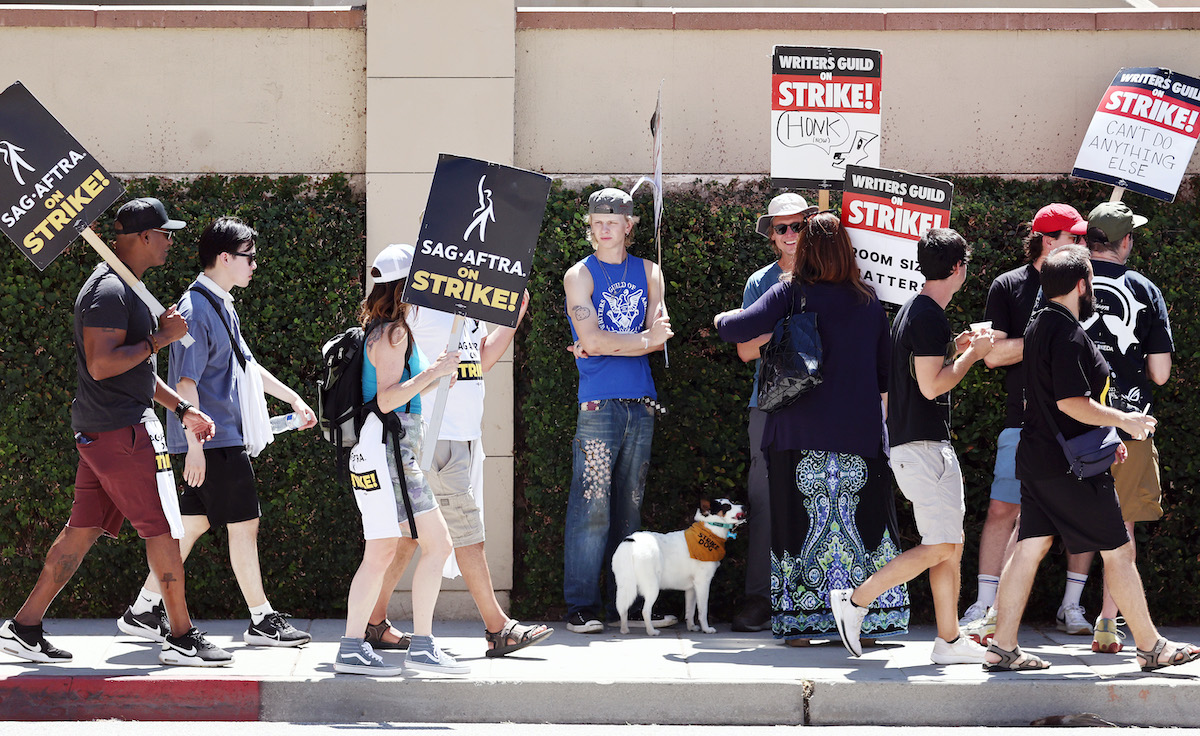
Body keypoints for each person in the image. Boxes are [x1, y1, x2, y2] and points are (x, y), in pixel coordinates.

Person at [0, 197, 231, 667]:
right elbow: (103, 364)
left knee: (81, 531)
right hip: (120, 433)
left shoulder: (127, 288)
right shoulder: (109, 291)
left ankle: (24, 627)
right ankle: (181, 637)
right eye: (165, 234)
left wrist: (183, 407)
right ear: (142, 238)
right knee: (164, 528)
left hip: (104, 431)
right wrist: (159, 339)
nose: (170, 241)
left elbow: (138, 372)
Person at [983, 244, 1198, 672]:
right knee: (1117, 551)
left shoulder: (1040, 324)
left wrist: (1104, 435)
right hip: (1070, 470)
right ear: (1083, 284)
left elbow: (1052, 402)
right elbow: (1070, 402)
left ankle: (1003, 647)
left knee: (1029, 547)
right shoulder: (1065, 332)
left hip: (1041, 460)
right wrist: (1125, 422)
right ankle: (1151, 647)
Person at [115, 217, 316, 649]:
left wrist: (292, 397)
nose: (254, 266)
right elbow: (186, 384)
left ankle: (142, 609)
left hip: (214, 438)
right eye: (249, 258)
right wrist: (196, 449)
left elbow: (245, 365)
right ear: (225, 258)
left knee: (193, 525)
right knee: (245, 524)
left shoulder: (220, 302)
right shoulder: (195, 308)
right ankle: (262, 620)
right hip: (213, 440)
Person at [715, 211, 909, 646]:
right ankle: (867, 622)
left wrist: (718, 318)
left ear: (805, 250)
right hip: (858, 436)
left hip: (797, 434)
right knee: (859, 529)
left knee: (799, 528)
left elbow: (736, 328)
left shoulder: (793, 292)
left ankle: (803, 628)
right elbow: (884, 376)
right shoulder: (870, 301)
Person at [360, 280, 552, 657]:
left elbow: (477, 361)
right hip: (435, 435)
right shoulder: (414, 305)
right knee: (466, 532)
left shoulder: (465, 303)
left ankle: (373, 621)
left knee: (410, 536)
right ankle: (499, 629)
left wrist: (512, 320)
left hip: (461, 436)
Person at [830, 228, 994, 665]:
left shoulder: (913, 311)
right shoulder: (927, 315)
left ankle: (949, 641)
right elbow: (931, 384)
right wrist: (972, 356)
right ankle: (856, 600)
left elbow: (918, 370)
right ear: (958, 268)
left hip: (917, 447)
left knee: (948, 543)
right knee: (941, 546)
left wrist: (955, 347)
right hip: (923, 448)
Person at [961, 204, 1096, 639]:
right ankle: (985, 605)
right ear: (1047, 239)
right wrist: (1044, 338)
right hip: (1021, 422)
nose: (1081, 245)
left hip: (1077, 422)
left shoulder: (1084, 284)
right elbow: (994, 355)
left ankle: (1071, 607)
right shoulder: (1009, 286)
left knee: (1086, 514)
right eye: (1073, 237)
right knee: (1004, 509)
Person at [333, 243, 464, 676]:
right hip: (392, 455)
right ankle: (421, 645)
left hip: (379, 453)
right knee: (437, 545)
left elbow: (392, 396)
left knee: (382, 550)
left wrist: (435, 374)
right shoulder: (393, 333)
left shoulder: (379, 329)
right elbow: (388, 400)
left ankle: (354, 645)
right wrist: (434, 373)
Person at [562, 187, 674, 633]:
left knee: (630, 506)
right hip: (597, 403)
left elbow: (658, 334)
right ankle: (582, 604)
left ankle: (628, 605)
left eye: (613, 220)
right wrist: (643, 342)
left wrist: (620, 343)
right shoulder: (579, 275)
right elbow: (592, 341)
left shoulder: (650, 272)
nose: (603, 227)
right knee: (591, 505)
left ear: (629, 225)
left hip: (641, 402)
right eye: (596, 221)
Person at [1082, 202, 1173, 654]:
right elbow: (1159, 373)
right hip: (1130, 425)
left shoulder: (1063, 280)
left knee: (1037, 525)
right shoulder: (1145, 289)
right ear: (1126, 241)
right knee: (1123, 527)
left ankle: (1001, 626)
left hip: (1072, 423)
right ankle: (1107, 622)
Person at [728, 193, 814, 633]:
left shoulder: (832, 277)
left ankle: (814, 597)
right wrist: (798, 331)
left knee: (821, 499)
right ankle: (760, 597)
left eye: (798, 225)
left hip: (823, 406)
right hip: (770, 404)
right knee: (763, 501)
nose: (791, 235)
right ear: (772, 235)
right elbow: (745, 349)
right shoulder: (758, 282)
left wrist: (780, 330)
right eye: (782, 228)